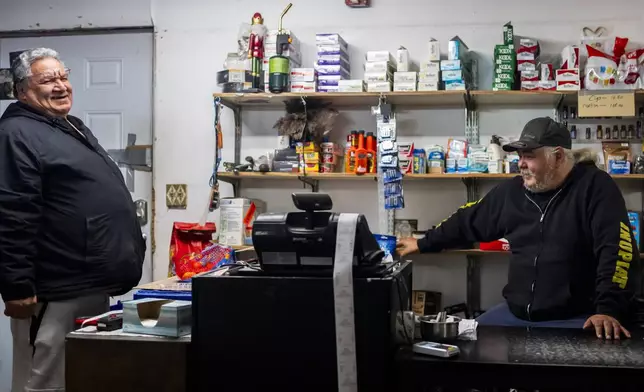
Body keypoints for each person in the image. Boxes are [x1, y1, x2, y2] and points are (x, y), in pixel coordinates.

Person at [397, 117, 641, 340]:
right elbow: (467, 220)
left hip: (576, 318)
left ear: (557, 157)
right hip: (515, 315)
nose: (520, 164)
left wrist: (608, 310)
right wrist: (422, 242)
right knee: (466, 353)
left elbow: (618, 251)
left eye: (529, 156)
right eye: (519, 156)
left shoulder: (595, 188)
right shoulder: (512, 192)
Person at [0, 48, 145, 391]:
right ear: (22, 90)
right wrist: (17, 286)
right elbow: (12, 212)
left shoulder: (68, 126)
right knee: (44, 380)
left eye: (63, 77)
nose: (61, 86)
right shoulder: (16, 133)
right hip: (54, 290)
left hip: (87, 281)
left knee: (78, 378)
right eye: (48, 79)